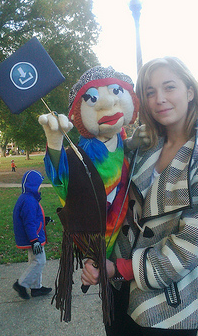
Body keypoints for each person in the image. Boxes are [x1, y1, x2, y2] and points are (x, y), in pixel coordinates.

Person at [81, 57, 198, 336]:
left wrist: (117, 268)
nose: (159, 98)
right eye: (149, 92)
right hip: (118, 295)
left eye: (169, 87)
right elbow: (108, 198)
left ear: (190, 92)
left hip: (171, 300)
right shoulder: (143, 147)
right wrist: (92, 253)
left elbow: (187, 249)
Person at [39, 66, 139, 323]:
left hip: (127, 244)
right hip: (102, 239)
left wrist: (135, 145)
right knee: (118, 319)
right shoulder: (88, 151)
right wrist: (54, 144)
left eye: (116, 91)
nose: (107, 101)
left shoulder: (122, 138)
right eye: (92, 98)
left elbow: (122, 159)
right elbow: (67, 182)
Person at [12, 170, 52, 299]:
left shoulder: (29, 198)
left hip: (33, 236)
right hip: (33, 238)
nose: (41, 186)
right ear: (34, 184)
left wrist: (44, 220)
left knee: (35, 261)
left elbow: (32, 218)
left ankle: (36, 288)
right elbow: (28, 223)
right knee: (39, 261)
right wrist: (34, 240)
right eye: (39, 183)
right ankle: (21, 284)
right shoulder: (28, 200)